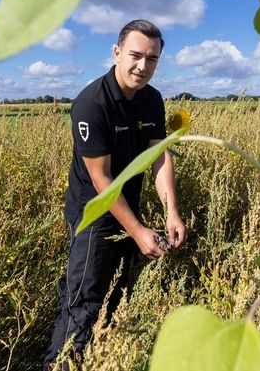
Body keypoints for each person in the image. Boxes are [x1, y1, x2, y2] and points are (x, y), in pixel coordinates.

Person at [43, 19, 186, 369]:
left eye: (152, 59)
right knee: (84, 302)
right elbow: (101, 179)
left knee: (115, 296)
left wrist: (171, 211)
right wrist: (138, 232)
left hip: (128, 208)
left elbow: (160, 156)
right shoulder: (92, 104)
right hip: (93, 216)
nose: (142, 66)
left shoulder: (152, 100)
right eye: (135, 55)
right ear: (117, 52)